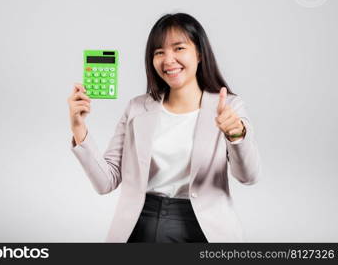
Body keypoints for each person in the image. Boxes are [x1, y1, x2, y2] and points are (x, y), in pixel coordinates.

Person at [67, 13, 261, 243]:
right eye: (159, 52)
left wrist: (236, 134)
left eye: (179, 48)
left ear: (199, 53)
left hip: (202, 227)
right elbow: (105, 181)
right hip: (139, 224)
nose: (168, 60)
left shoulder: (228, 107)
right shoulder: (137, 108)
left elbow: (248, 176)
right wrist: (78, 126)